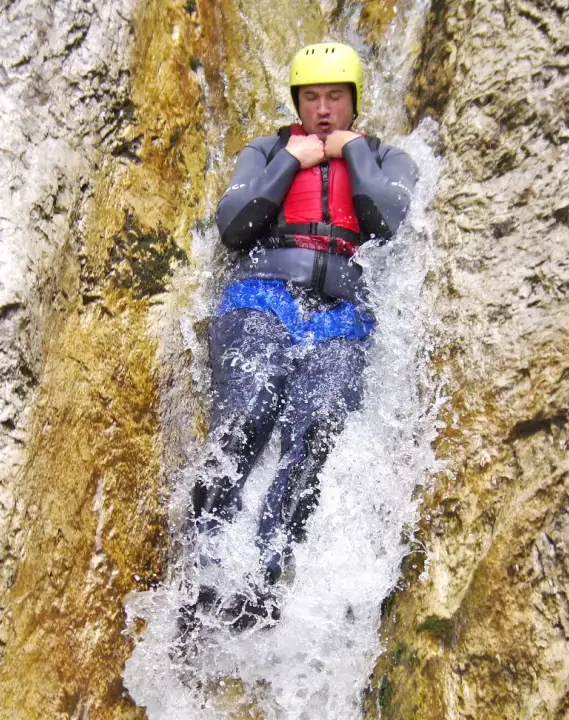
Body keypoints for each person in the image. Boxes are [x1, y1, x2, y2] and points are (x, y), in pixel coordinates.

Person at [186, 41, 419, 630]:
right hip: (262, 298)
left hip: (341, 315)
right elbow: (235, 226)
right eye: (311, 97)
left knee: (312, 436)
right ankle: (202, 571)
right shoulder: (266, 151)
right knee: (248, 416)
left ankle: (264, 579)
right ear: (297, 101)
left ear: (353, 103)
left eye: (335, 97)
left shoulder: (391, 160)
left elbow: (387, 221)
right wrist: (291, 161)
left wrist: (354, 153)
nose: (322, 109)